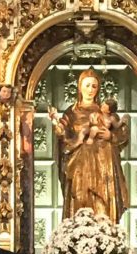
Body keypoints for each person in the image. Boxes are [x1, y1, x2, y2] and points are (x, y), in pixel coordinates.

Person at [49, 69, 130, 223]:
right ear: (80, 87)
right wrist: (57, 125)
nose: (90, 89)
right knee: (81, 196)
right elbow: (63, 136)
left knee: (103, 200)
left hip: (104, 163)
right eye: (87, 85)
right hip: (80, 163)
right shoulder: (71, 113)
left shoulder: (105, 111)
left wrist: (110, 136)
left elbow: (121, 133)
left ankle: (106, 233)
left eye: (94, 86)